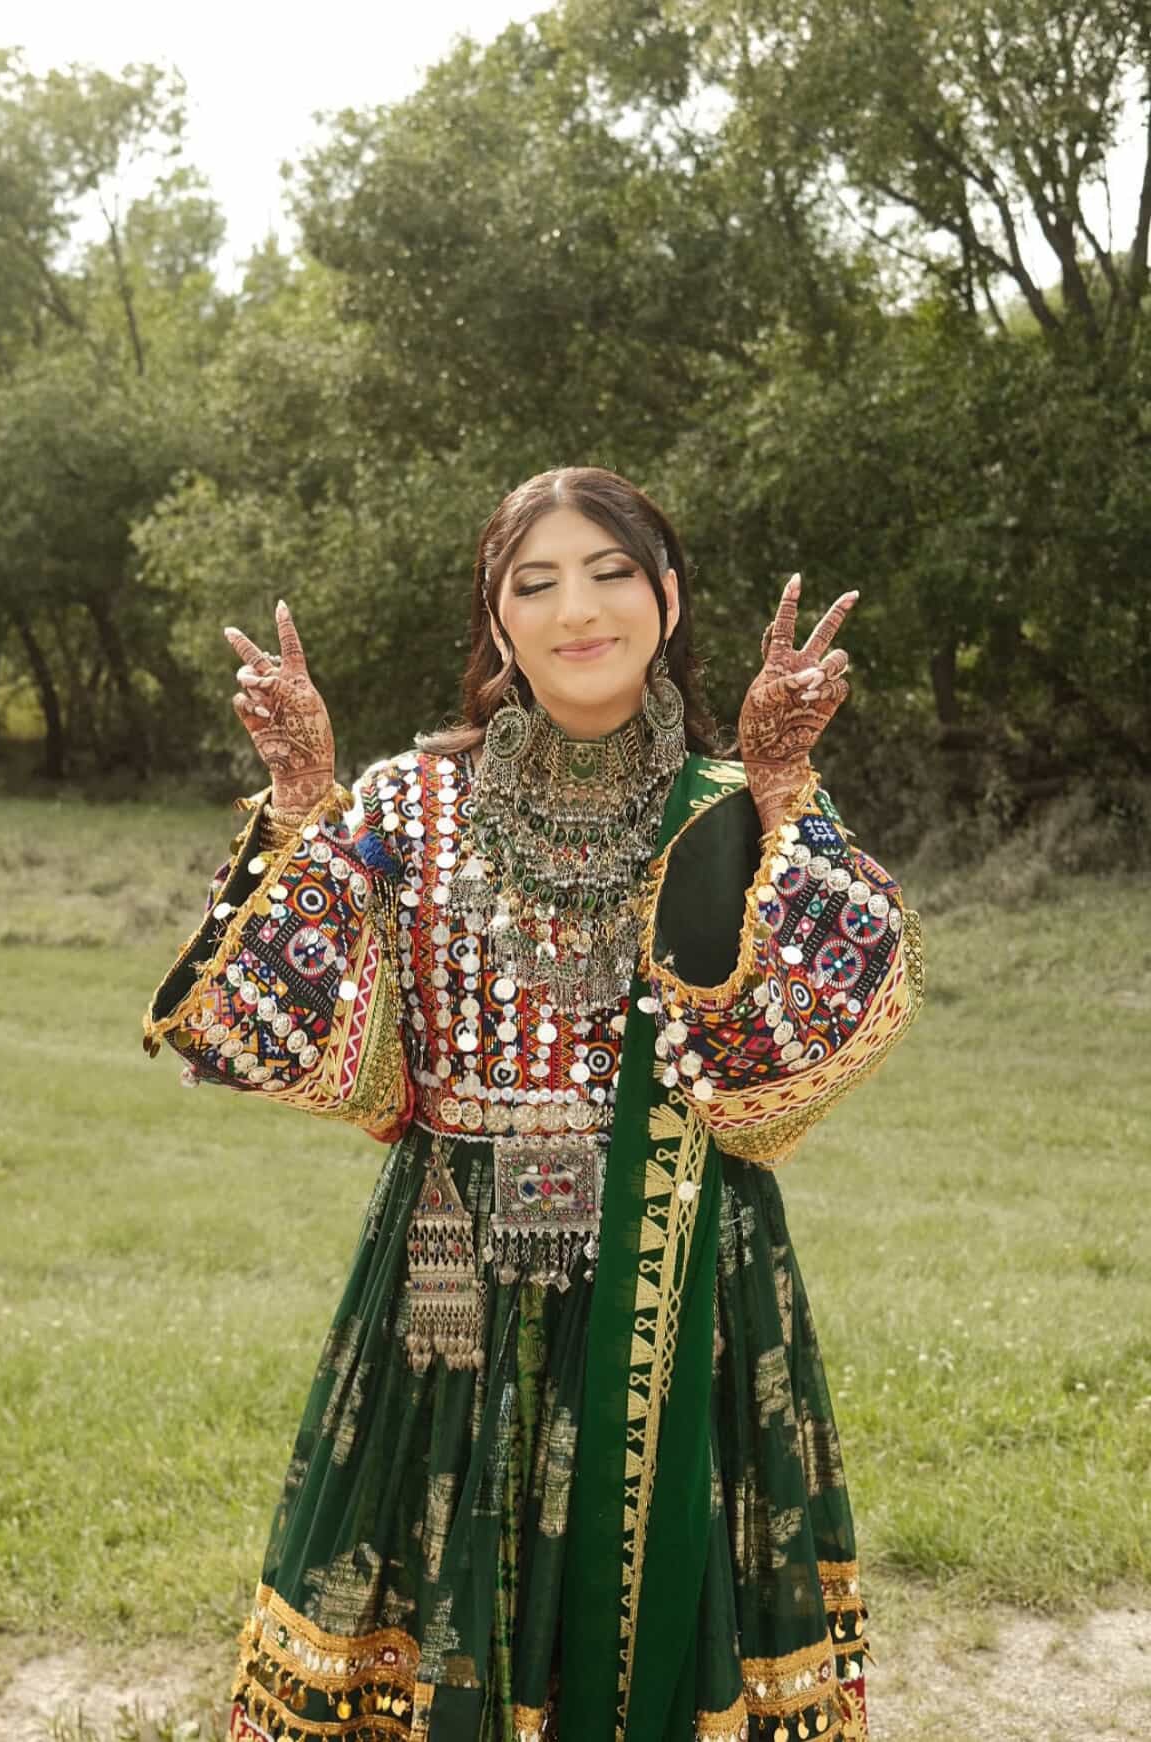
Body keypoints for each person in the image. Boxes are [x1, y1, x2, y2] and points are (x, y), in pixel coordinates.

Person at [144, 467, 923, 1742]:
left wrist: (784, 791)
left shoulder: (731, 804)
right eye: (537, 581)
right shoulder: (405, 800)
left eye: (612, 572)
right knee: (446, 1560)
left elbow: (786, 1079)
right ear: (497, 622)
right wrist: (300, 800)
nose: (580, 609)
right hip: (454, 1263)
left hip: (681, 1279)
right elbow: (271, 1025)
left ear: (667, 598)